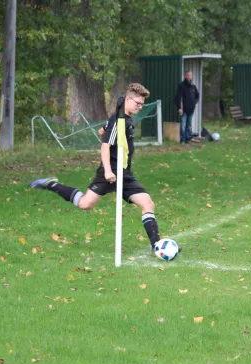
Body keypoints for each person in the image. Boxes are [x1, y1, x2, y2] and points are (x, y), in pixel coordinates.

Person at [29, 83, 162, 253]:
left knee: (148, 203)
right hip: (110, 172)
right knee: (85, 204)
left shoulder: (125, 119)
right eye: (138, 102)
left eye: (142, 104)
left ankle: (157, 246)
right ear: (128, 99)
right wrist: (107, 170)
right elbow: (105, 146)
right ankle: (51, 184)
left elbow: (104, 135)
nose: (140, 106)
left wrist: (103, 134)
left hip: (125, 173)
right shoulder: (118, 121)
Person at [175, 71, 200, 144]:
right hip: (183, 109)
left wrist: (194, 102)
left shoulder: (193, 86)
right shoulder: (181, 85)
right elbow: (178, 98)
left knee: (189, 125)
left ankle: (188, 139)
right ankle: (182, 140)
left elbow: (197, 95)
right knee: (183, 125)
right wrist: (179, 107)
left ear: (191, 76)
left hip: (191, 109)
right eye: (188, 75)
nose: (189, 76)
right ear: (185, 76)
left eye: (190, 75)